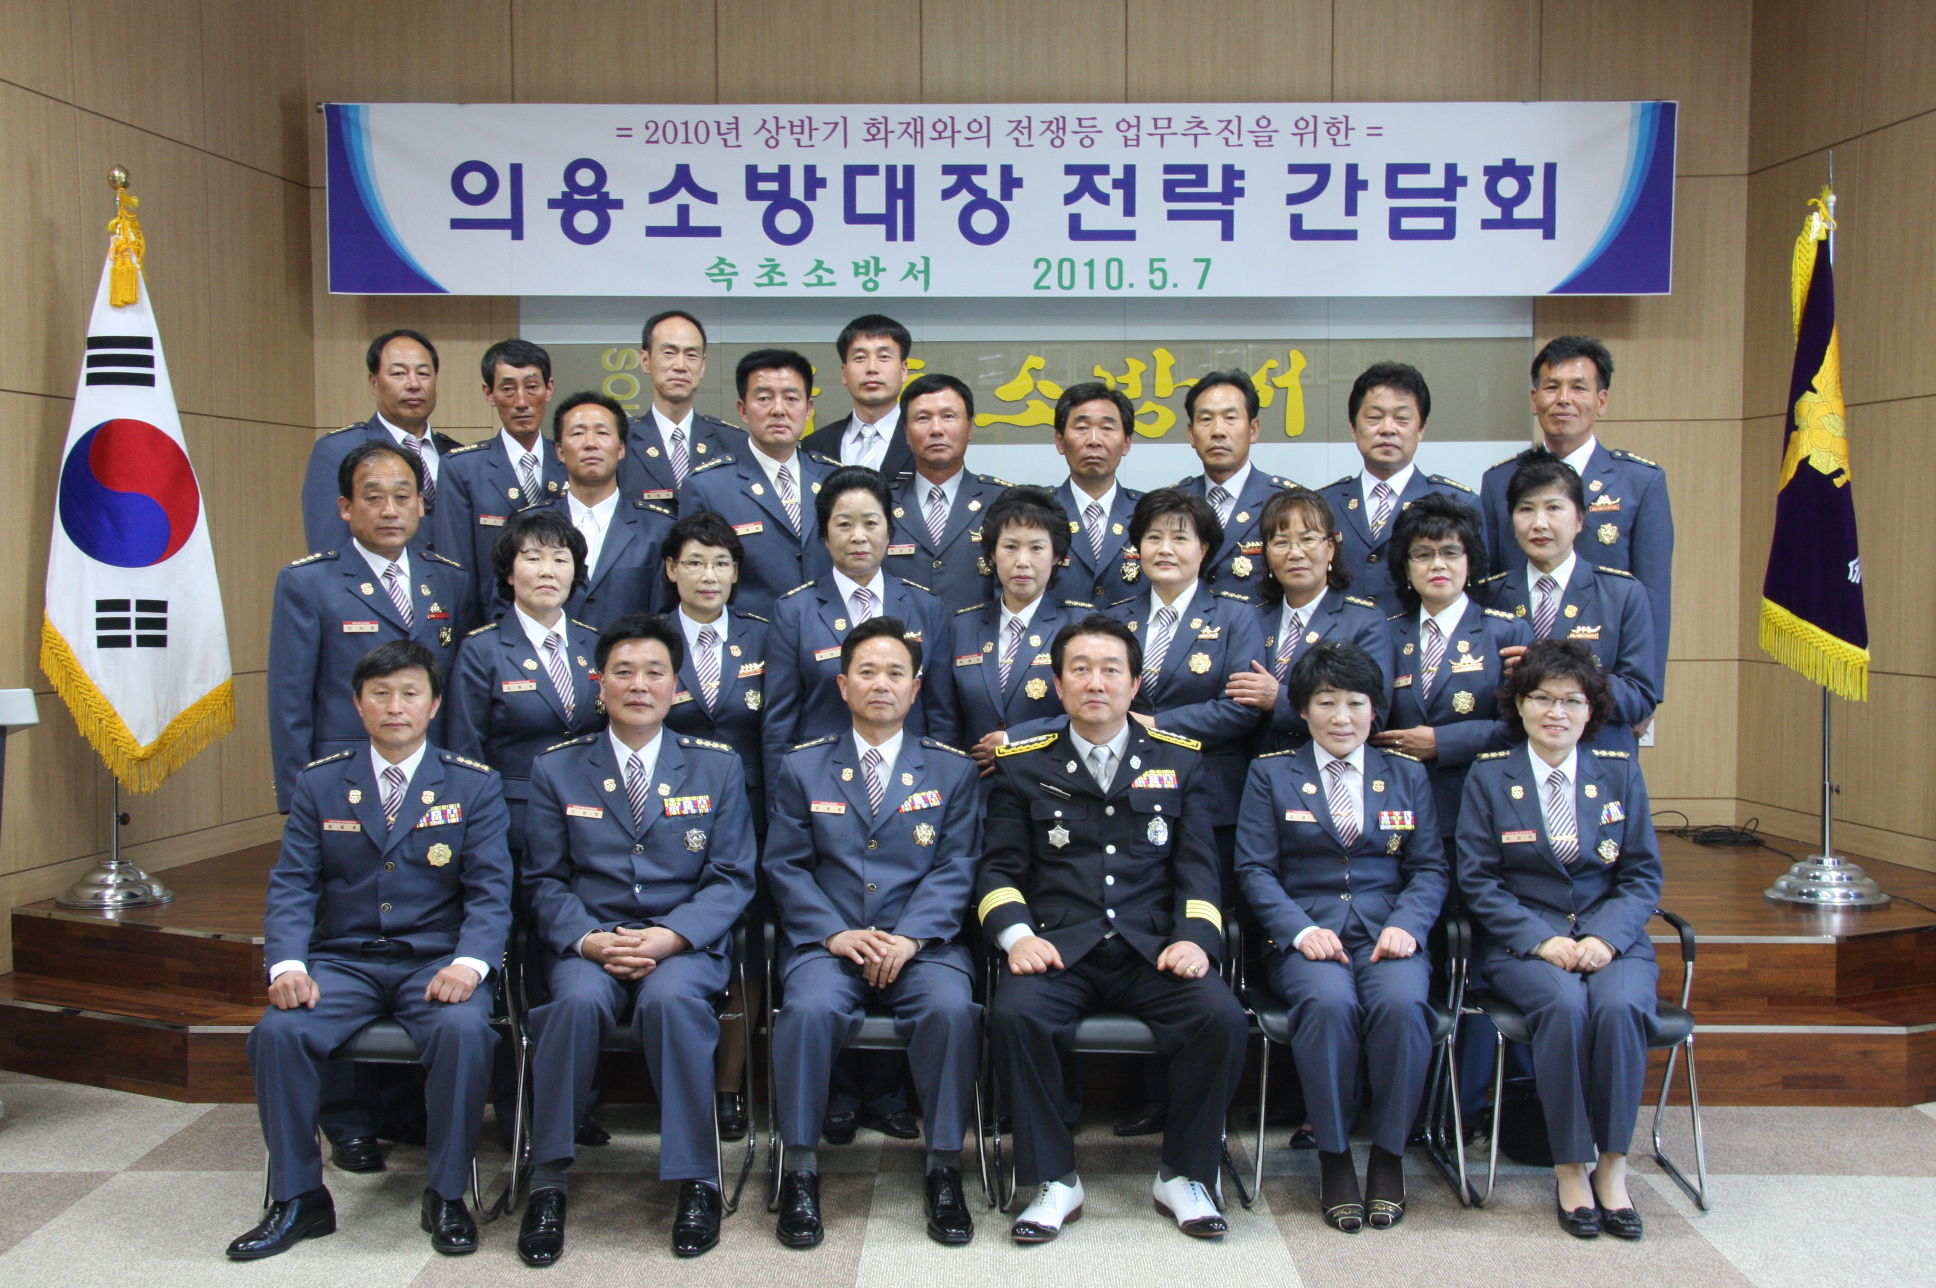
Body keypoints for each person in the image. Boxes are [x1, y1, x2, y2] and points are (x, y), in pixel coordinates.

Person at [226, 640, 512, 1261]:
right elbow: (293, 884)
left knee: (465, 1031)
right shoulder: (321, 782)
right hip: (345, 961)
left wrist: (470, 965)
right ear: (358, 705)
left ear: (434, 704)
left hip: (435, 961)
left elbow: (492, 891)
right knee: (278, 1033)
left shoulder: (473, 785)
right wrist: (287, 965)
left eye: (410, 693)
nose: (395, 707)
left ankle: (446, 1194)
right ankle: (298, 1197)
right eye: (380, 694)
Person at [978, 616, 1248, 1243]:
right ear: (1057, 684)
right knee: (1015, 1016)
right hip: (1057, 946)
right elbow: (997, 871)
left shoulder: (1179, 760)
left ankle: (1185, 1173)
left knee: (1221, 1018)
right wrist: (1018, 937)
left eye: (1110, 670)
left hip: (1151, 948)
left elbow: (1199, 872)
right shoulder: (1022, 765)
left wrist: (1194, 938)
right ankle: (1052, 1179)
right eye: (1080, 670)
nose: (1095, 683)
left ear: (1134, 684)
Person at [518, 615, 757, 1262]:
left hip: (681, 945)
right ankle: (547, 1181)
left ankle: (697, 1179)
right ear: (599, 686)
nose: (639, 685)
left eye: (655, 672)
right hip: (592, 941)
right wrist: (587, 940)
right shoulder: (557, 769)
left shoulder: (715, 766)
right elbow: (543, 879)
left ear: (677, 688)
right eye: (622, 672)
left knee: (672, 1003)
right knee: (572, 1004)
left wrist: (672, 936)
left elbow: (733, 876)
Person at [764, 618, 984, 1248]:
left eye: (895, 673)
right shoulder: (802, 767)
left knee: (950, 1011)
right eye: (866, 672)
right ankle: (799, 1168)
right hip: (829, 944)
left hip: (923, 946)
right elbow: (786, 866)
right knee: (806, 1012)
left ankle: (944, 1167)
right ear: (842, 685)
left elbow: (957, 867)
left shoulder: (951, 770)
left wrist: (910, 938)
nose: (880, 684)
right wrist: (834, 934)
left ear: (916, 689)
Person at [1234, 640, 1447, 1233]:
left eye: (1356, 702)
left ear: (1375, 710)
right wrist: (1299, 930)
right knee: (1327, 1005)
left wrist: (1408, 924)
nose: (1342, 717)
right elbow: (1254, 869)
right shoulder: (1271, 773)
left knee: (1402, 1006)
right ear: (1302, 709)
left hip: (1389, 931)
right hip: (1305, 934)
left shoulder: (1407, 774)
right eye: (1326, 702)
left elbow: (1430, 868)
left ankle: (1389, 1155)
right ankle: (1333, 1156)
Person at [1457, 639, 1661, 1241]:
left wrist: (1607, 937)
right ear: (1519, 704)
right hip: (1524, 943)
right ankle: (1570, 1166)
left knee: (1620, 1007)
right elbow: (1478, 881)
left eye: (1572, 701)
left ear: (1590, 710)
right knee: (1565, 1006)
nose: (1556, 712)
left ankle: (1613, 1168)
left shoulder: (1619, 771)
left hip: (1612, 936)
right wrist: (1541, 940)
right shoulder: (1490, 776)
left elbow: (1642, 875)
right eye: (1543, 698)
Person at [269, 439, 474, 815]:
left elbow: (460, 696)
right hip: (343, 777)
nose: (390, 511)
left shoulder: (450, 579)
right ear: (346, 507)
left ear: (420, 504)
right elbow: (289, 704)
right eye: (374, 498)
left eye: (402, 497)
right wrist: (297, 797)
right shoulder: (308, 583)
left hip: (434, 774)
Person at [658, 509, 771, 1143]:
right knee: (678, 947)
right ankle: (679, 1086)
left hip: (749, 815)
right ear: (671, 570)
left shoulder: (763, 636)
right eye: (695, 562)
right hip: (659, 820)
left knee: (744, 950)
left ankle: (728, 1087)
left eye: (722, 563)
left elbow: (778, 728)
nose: (709, 575)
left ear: (736, 574)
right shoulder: (648, 640)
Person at [1479, 336, 1672, 687]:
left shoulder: (1639, 481)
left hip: (1603, 678)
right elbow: (1488, 582)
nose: (1563, 399)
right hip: (1513, 676)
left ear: (1601, 401)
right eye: (1552, 387)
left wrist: (1647, 689)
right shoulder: (1498, 481)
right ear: (1534, 399)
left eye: (1578, 388)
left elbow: (1654, 595)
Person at [761, 466, 957, 787]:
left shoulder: (925, 606)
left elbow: (941, 714)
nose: (858, 536)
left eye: (870, 523)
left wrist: (941, 787)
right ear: (824, 536)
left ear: (889, 533)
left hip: (910, 779)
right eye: (844, 524)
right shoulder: (795, 611)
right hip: (821, 780)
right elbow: (778, 725)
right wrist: (781, 802)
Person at [444, 510, 603, 859]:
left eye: (560, 559)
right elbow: (465, 749)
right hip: (511, 822)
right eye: (533, 558)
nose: (548, 571)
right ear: (509, 573)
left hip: (591, 820)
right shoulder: (482, 650)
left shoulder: (594, 645)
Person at [1371, 493, 1529, 841]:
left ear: (1470, 562)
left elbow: (1521, 726)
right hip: (1398, 804)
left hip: (1479, 803)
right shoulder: (1384, 632)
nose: (1437, 565)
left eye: (1451, 552)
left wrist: (1442, 741)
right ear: (1405, 567)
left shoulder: (1505, 632)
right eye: (1423, 554)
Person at [1479, 450, 1658, 754]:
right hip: (1511, 761)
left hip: (1597, 759)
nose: (1539, 523)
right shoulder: (1489, 595)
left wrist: (1552, 671)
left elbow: (1639, 697)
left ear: (1580, 519)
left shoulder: (1622, 594)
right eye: (1526, 509)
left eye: (1554, 508)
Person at [676, 348, 839, 619]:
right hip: (749, 635)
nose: (778, 410)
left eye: (791, 398)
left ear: (809, 409)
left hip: (829, 633)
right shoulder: (707, 486)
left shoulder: (835, 480)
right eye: (764, 398)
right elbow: (694, 580)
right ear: (742, 409)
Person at [1228, 487, 1392, 752]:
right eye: (1281, 543)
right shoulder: (1251, 617)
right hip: (1251, 767)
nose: (1295, 553)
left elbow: (1374, 719)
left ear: (1330, 549)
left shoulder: (1364, 621)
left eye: (1308, 539)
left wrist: (1278, 699)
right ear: (1267, 554)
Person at [954, 486, 1096, 777]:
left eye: (1036, 548)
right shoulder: (962, 626)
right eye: (1010, 547)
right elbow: (944, 716)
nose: (1022, 561)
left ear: (1057, 555)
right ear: (992, 553)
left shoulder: (1081, 626)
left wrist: (1015, 741)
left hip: (1056, 781)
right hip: (975, 786)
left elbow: (1096, 712)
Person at [1316, 362, 1477, 614]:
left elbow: (1477, 590)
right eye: (1374, 417)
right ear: (1353, 428)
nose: (1387, 429)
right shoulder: (1323, 504)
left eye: (1402, 419)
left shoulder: (1458, 503)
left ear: (1421, 429)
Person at [433, 338, 570, 607]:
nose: (521, 402)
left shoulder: (569, 462)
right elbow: (455, 569)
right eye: (508, 389)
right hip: (492, 620)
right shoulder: (462, 469)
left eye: (532, 387)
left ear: (549, 388)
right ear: (489, 393)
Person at [524, 391, 676, 631]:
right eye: (577, 433)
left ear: (621, 448)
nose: (590, 443)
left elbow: (668, 615)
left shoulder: (659, 528)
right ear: (560, 451)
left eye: (602, 433)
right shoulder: (528, 525)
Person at [301, 330, 461, 555]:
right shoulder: (338, 450)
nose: (414, 384)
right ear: (374, 383)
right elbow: (329, 548)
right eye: (399, 373)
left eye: (424, 374)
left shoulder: (455, 454)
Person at [883, 373, 1011, 612]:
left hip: (980, 634)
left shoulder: (1004, 501)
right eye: (923, 418)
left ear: (969, 427)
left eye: (948, 416)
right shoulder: (881, 504)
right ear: (906, 433)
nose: (936, 429)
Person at [1173, 370, 1298, 601]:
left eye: (1230, 418)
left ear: (1253, 429)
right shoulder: (1172, 503)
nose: (1218, 431)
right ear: (1191, 434)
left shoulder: (1287, 502)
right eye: (1206, 419)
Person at [618, 310, 742, 508]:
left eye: (691, 355)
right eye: (669, 353)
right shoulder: (619, 442)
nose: (680, 366)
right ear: (645, 361)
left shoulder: (734, 443)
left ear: (702, 366)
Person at [1049, 382, 1145, 604]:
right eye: (1082, 427)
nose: (1094, 440)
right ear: (1060, 441)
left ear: (1126, 443)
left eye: (1107, 428)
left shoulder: (1148, 514)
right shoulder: (1037, 513)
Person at [799, 313, 915, 481]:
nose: (872, 368)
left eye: (884, 357)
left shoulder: (924, 438)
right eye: (860, 358)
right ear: (844, 373)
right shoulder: (816, 445)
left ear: (903, 370)